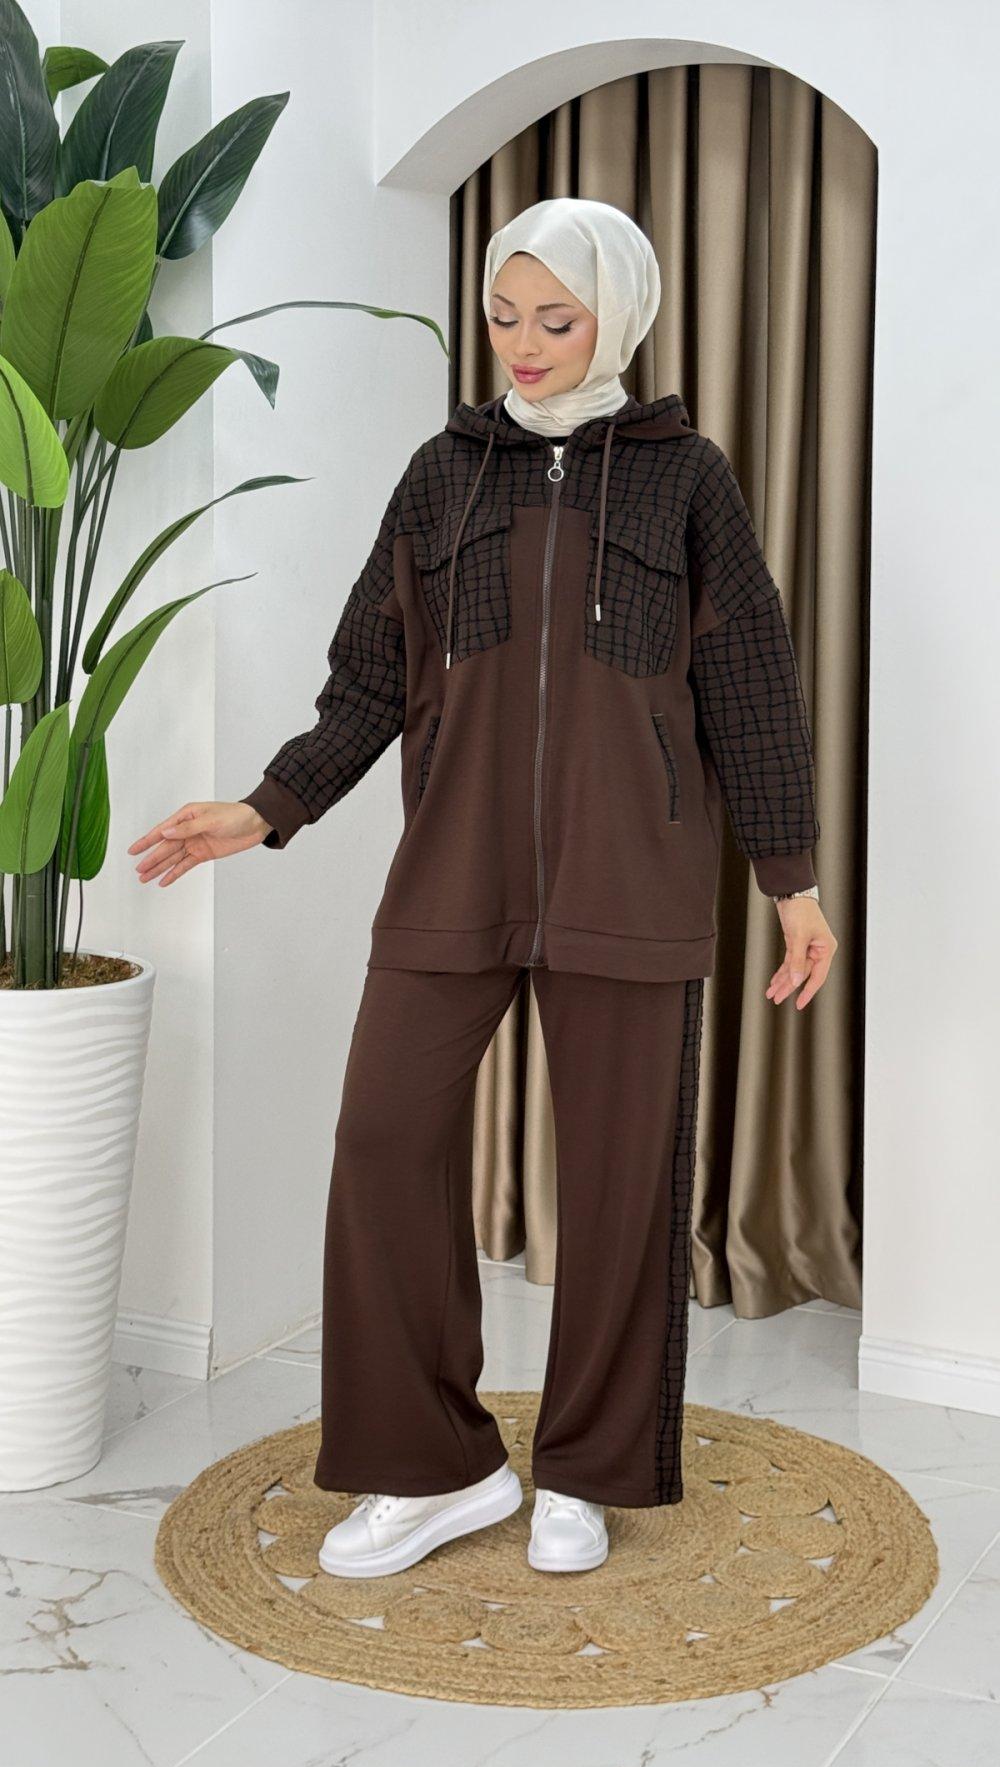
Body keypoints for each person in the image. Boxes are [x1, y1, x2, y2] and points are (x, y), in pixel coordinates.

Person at [128, 196, 838, 1580]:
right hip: (454, 863)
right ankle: (433, 1467)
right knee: (383, 1139)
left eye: (555, 319)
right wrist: (268, 806)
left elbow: (751, 681)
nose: (523, 343)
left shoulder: (687, 478)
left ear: (615, 317)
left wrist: (792, 881)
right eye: (505, 315)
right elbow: (369, 674)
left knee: (623, 1179)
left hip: (633, 871)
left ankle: (586, 1469)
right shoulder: (442, 474)